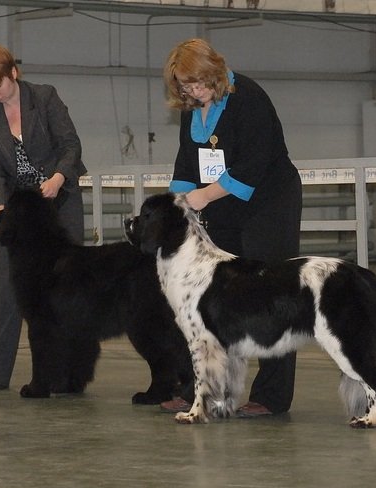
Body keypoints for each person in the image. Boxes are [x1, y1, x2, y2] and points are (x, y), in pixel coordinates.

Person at [161, 38, 302, 417]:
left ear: (214, 72)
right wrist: (176, 205)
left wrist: (202, 198)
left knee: (269, 295)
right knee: (215, 301)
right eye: (185, 87)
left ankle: (271, 397)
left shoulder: (248, 98)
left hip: (267, 203)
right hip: (220, 203)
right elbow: (186, 166)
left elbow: (252, 166)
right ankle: (207, 392)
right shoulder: (193, 109)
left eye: (197, 84)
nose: (192, 92)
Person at [0, 44, 87, 392]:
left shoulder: (46, 98)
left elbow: (71, 145)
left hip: (59, 203)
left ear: (12, 73)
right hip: (20, 211)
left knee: (65, 291)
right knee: (6, 287)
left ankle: (67, 375)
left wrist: (59, 177)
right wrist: (1, 204)